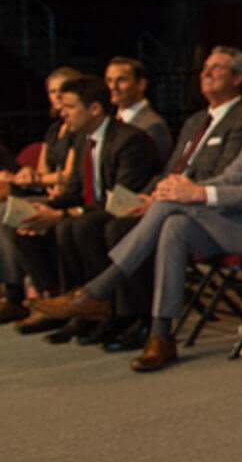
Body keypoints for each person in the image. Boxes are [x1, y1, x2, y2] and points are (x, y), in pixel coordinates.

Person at [29, 53, 242, 372]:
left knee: (172, 205)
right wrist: (183, 187)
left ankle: (99, 290)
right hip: (235, 220)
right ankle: (160, 334)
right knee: (175, 226)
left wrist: (197, 193)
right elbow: (234, 175)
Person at [3, 74, 161, 335]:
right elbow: (76, 191)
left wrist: (62, 213)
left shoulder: (129, 140)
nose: (62, 113)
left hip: (125, 211)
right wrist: (47, 209)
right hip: (93, 210)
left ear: (94, 109)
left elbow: (122, 198)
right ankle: (59, 300)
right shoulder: (82, 140)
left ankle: (103, 309)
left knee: (75, 225)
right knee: (25, 218)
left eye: (69, 107)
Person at [105, 56, 173, 163]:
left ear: (141, 84)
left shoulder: (153, 126)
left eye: (121, 80)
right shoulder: (110, 121)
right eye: (109, 80)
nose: (113, 86)